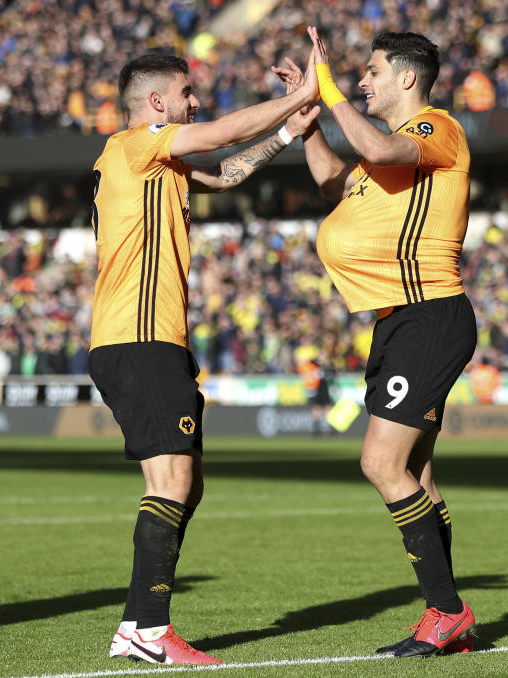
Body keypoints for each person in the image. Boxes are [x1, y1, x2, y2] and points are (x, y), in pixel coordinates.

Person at [89, 52, 320, 665]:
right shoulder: (135, 146)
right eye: (186, 93)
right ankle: (149, 630)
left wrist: (288, 134)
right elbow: (220, 135)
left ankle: (138, 625)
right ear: (157, 103)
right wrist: (301, 96)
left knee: (185, 486)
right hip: (137, 338)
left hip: (157, 339)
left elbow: (227, 170)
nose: (196, 101)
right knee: (173, 480)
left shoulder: (159, 165)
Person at [278, 27, 477, 657]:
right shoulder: (379, 157)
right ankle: (445, 616)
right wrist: (311, 125)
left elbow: (380, 149)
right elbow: (333, 182)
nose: (362, 81)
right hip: (395, 321)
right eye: (358, 74)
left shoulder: (433, 131)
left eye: (370, 72)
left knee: (380, 464)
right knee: (414, 471)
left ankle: (446, 611)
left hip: (429, 312)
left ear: (407, 79)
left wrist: (330, 89)